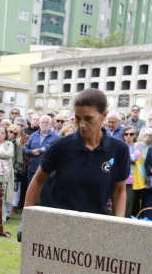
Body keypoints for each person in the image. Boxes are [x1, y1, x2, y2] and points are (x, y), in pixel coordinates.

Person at [23, 89, 130, 220]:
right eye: (78, 118)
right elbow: (38, 179)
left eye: (88, 118)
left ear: (104, 115)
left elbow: (119, 191)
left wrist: (118, 223)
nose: (82, 124)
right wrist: (26, 218)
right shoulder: (60, 145)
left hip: (97, 224)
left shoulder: (119, 149)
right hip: (59, 222)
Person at [122, 126, 146, 218]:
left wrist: (123, 156)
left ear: (135, 135)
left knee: (128, 205)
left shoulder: (138, 145)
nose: (128, 136)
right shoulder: (120, 144)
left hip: (131, 180)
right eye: (126, 134)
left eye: (131, 134)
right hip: (118, 178)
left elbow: (135, 157)